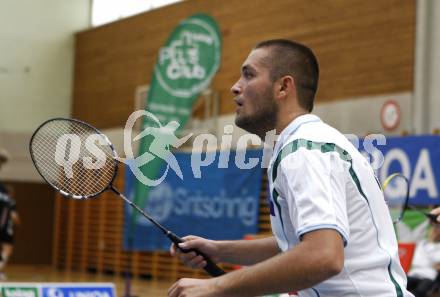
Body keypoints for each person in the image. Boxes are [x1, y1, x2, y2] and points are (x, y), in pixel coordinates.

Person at [168, 39, 414, 296]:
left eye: (249, 75)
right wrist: (219, 250)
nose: (235, 87)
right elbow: (296, 243)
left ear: (284, 87)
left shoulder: (305, 150)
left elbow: (323, 256)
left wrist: (216, 286)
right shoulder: (301, 145)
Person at [0, 149, 20, 280]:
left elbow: (14, 217)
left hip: (3, 226)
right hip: (5, 227)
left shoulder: (4, 191)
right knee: (7, 248)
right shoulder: (7, 195)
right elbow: (15, 218)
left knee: (7, 248)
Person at [406, 222, 440, 297]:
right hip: (413, 274)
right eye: (434, 228)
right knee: (400, 285)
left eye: (437, 228)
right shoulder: (421, 243)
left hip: (428, 276)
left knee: (419, 291)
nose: (434, 230)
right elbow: (416, 261)